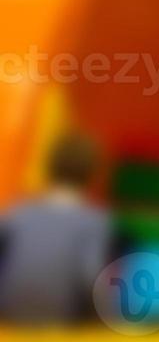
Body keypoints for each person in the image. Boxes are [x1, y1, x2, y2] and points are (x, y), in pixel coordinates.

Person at [0, 132, 115, 324]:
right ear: (92, 174)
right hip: (58, 321)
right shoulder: (93, 222)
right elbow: (89, 276)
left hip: (9, 317)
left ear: (50, 166)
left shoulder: (19, 212)